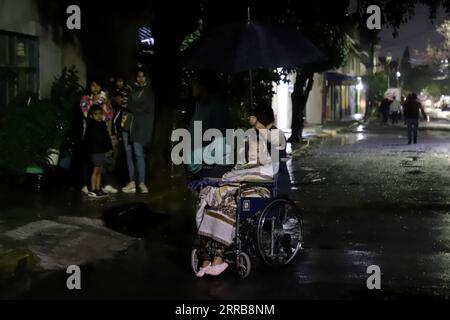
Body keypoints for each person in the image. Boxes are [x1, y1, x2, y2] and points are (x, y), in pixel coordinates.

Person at [195, 105, 288, 278]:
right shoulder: (250, 144)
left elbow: (273, 148)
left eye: (252, 117)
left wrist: (257, 128)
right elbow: (238, 168)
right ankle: (207, 257)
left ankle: (219, 258)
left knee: (230, 204)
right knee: (212, 199)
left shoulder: (275, 137)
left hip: (261, 186)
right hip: (244, 180)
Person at [187, 72, 234, 178]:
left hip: (212, 168)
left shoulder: (217, 107)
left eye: (195, 83)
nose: (192, 86)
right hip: (198, 166)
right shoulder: (198, 105)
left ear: (203, 87)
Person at [80, 80, 118, 195]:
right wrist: (95, 102)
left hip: (100, 136)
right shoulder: (85, 99)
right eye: (93, 85)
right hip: (89, 135)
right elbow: (87, 114)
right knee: (90, 163)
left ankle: (100, 186)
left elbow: (108, 116)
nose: (95, 87)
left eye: (98, 85)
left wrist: (106, 104)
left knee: (99, 165)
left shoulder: (103, 99)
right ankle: (88, 186)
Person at [121, 68, 155, 194]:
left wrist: (133, 106)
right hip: (127, 125)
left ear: (146, 77)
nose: (140, 78)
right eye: (138, 76)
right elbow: (127, 104)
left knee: (138, 153)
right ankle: (131, 182)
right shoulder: (131, 89)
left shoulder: (149, 92)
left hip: (140, 127)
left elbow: (146, 108)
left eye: (143, 76)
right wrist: (133, 106)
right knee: (129, 154)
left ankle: (141, 182)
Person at [84, 105, 113, 198]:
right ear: (92, 115)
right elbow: (88, 140)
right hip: (95, 151)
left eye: (100, 114)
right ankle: (93, 189)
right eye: (96, 114)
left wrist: (108, 146)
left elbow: (106, 137)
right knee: (95, 170)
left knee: (100, 170)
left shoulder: (102, 124)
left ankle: (98, 188)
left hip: (101, 150)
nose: (99, 116)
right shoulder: (91, 125)